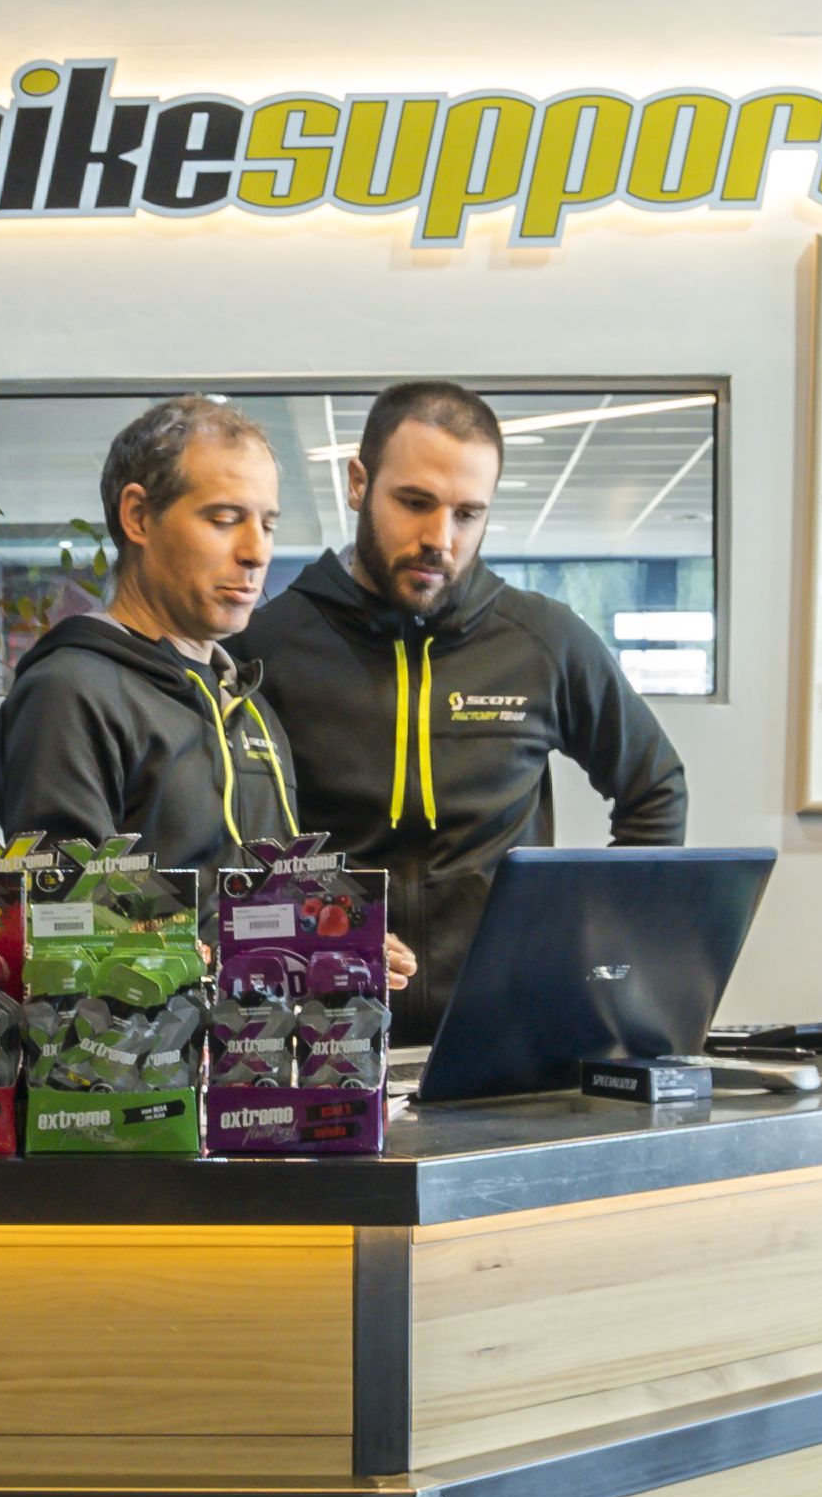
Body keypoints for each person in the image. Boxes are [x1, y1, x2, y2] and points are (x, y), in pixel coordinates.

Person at [243, 379, 691, 1027]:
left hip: (506, 1023)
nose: (440, 538)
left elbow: (655, 788)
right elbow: (240, 845)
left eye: (467, 514)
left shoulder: (542, 640)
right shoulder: (268, 647)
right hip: (327, 1033)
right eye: (415, 502)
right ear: (359, 484)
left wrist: (604, 937)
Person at [0, 393, 308, 868]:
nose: (256, 552)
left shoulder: (249, 708)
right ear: (138, 516)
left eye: (267, 525)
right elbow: (70, 905)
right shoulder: (70, 693)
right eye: (224, 520)